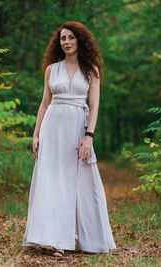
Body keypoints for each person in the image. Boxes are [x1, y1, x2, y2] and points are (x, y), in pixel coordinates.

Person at [21, 21, 116, 258]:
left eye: (71, 37)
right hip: (52, 128)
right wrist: (36, 134)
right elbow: (45, 103)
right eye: (63, 38)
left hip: (76, 129)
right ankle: (56, 240)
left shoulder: (91, 70)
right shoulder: (51, 70)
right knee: (52, 182)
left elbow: (94, 106)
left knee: (78, 183)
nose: (67, 42)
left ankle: (87, 237)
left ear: (80, 40)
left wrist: (88, 137)